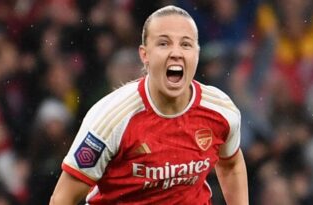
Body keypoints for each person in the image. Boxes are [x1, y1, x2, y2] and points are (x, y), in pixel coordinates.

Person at [49, 5, 248, 205]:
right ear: (145, 55)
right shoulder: (112, 118)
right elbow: (63, 197)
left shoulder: (220, 109)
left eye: (186, 44)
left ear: (197, 54)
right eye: (164, 43)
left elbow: (231, 164)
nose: (176, 53)